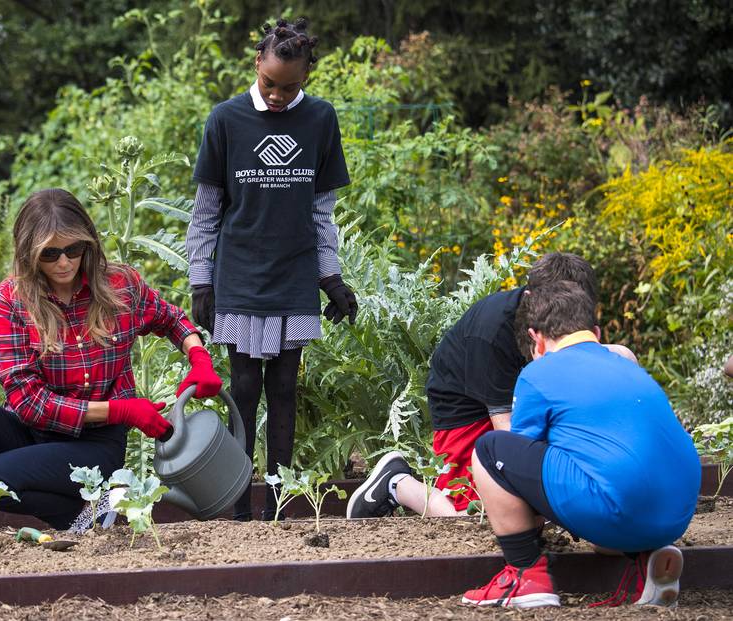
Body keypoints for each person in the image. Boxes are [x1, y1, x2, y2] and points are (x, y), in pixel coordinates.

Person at [0, 188, 222, 532]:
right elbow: (28, 402)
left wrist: (199, 358)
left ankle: (86, 512)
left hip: (95, 444)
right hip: (33, 430)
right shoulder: (12, 299)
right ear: (28, 253)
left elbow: (171, 319)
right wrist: (122, 410)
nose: (64, 262)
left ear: (89, 244)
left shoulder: (120, 285)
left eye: (73, 249)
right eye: (50, 254)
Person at [186, 17, 356, 521]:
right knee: (244, 389)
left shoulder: (320, 119)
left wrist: (331, 276)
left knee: (284, 389)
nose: (278, 95)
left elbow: (321, 213)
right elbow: (206, 212)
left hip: (294, 276)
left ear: (306, 77)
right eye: (270, 83)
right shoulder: (225, 120)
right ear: (257, 63)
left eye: (290, 86)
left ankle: (278, 509)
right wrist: (201, 280)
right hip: (239, 276)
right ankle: (240, 509)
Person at [462, 280, 700, 608]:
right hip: (676, 515)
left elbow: (522, 456)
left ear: (536, 339)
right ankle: (645, 559)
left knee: (491, 449)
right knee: (610, 486)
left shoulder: (538, 373)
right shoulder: (628, 366)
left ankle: (524, 574)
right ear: (596, 333)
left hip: (617, 509)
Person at [347, 252, 637, 519]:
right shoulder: (492, 333)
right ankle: (398, 483)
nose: (568, 323)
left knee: (621, 356)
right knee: (480, 515)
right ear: (531, 298)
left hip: (526, 398)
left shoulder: (572, 315)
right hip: (468, 412)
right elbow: (506, 437)